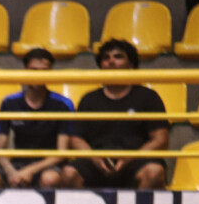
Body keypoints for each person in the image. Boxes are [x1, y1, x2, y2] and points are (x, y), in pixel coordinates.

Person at [62, 39, 168, 190]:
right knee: (69, 173)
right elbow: (76, 139)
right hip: (97, 161)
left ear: (131, 64)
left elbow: (161, 139)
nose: (111, 61)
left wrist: (130, 158)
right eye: (106, 58)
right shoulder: (89, 99)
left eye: (118, 57)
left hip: (136, 160)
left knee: (154, 172)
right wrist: (95, 159)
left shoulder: (148, 97)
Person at [0, 48, 73, 189]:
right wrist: (11, 172)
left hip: (48, 166)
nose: (38, 75)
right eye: (33, 70)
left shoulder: (62, 104)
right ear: (25, 71)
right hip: (17, 164)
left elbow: (61, 153)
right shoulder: (10, 102)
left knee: (50, 179)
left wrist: (29, 171)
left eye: (44, 71)